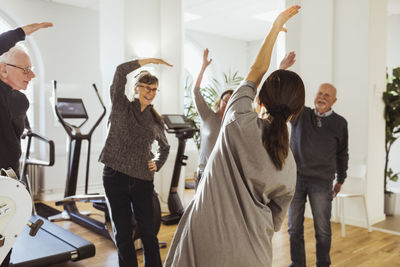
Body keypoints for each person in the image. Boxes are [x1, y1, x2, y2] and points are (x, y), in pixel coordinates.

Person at [165, 6, 303, 267]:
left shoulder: (236, 119)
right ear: (295, 113)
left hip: (204, 243)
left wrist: (275, 28)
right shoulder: (290, 166)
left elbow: (256, 70)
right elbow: (274, 222)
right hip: (253, 255)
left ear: (259, 99)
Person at [98, 58, 172, 267]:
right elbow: (120, 70)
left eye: (154, 89)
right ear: (136, 88)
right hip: (115, 176)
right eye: (147, 87)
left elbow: (165, 147)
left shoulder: (156, 120)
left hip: (142, 180)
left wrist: (157, 163)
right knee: (122, 233)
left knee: (148, 233)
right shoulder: (121, 105)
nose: (150, 92)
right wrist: (149, 61)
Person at [193, 49, 296, 186]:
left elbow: (261, 95)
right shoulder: (208, 116)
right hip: (205, 173)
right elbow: (196, 92)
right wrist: (203, 67)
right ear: (220, 101)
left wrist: (280, 69)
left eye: (231, 101)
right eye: (225, 100)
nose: (227, 103)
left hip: (227, 176)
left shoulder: (238, 120)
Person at [0, 22, 52, 267]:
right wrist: (19, 33)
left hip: (10, 182)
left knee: (6, 242)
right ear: (3, 70)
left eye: (32, 69)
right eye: (26, 69)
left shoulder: (20, 100)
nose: (32, 75)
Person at [288, 83, 349, 267]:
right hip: (296, 179)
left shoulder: (340, 123)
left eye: (327, 95)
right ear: (314, 96)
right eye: (320, 93)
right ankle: (297, 263)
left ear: (334, 101)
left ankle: (323, 264)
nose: (322, 97)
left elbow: (342, 153)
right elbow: (285, 100)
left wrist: (341, 179)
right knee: (293, 227)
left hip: (322, 182)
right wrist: (282, 70)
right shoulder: (300, 114)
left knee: (322, 230)